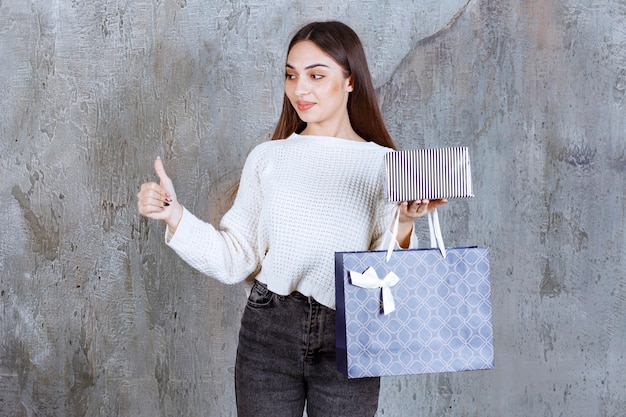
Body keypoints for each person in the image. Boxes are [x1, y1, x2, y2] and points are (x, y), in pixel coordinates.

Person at [137, 21, 446, 417]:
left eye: (317, 76)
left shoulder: (386, 166)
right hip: (269, 331)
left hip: (350, 332)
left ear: (350, 81)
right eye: (291, 75)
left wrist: (404, 223)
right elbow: (237, 257)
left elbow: (391, 280)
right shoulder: (268, 158)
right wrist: (174, 215)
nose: (300, 89)